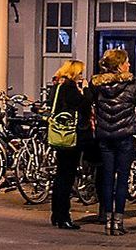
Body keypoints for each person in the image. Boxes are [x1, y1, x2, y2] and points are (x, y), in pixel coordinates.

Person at [90, 49, 136, 235]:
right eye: (127, 61)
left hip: (105, 136)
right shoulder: (131, 84)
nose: (129, 64)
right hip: (125, 137)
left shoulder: (97, 85)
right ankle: (118, 222)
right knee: (122, 179)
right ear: (120, 65)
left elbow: (90, 102)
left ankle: (107, 220)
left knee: (106, 179)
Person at [49, 60, 92, 230]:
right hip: (70, 138)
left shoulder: (57, 86)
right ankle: (64, 216)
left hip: (59, 135)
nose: (82, 76)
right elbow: (85, 105)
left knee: (60, 176)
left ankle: (56, 213)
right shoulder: (70, 88)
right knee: (67, 178)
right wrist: (86, 89)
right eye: (80, 73)